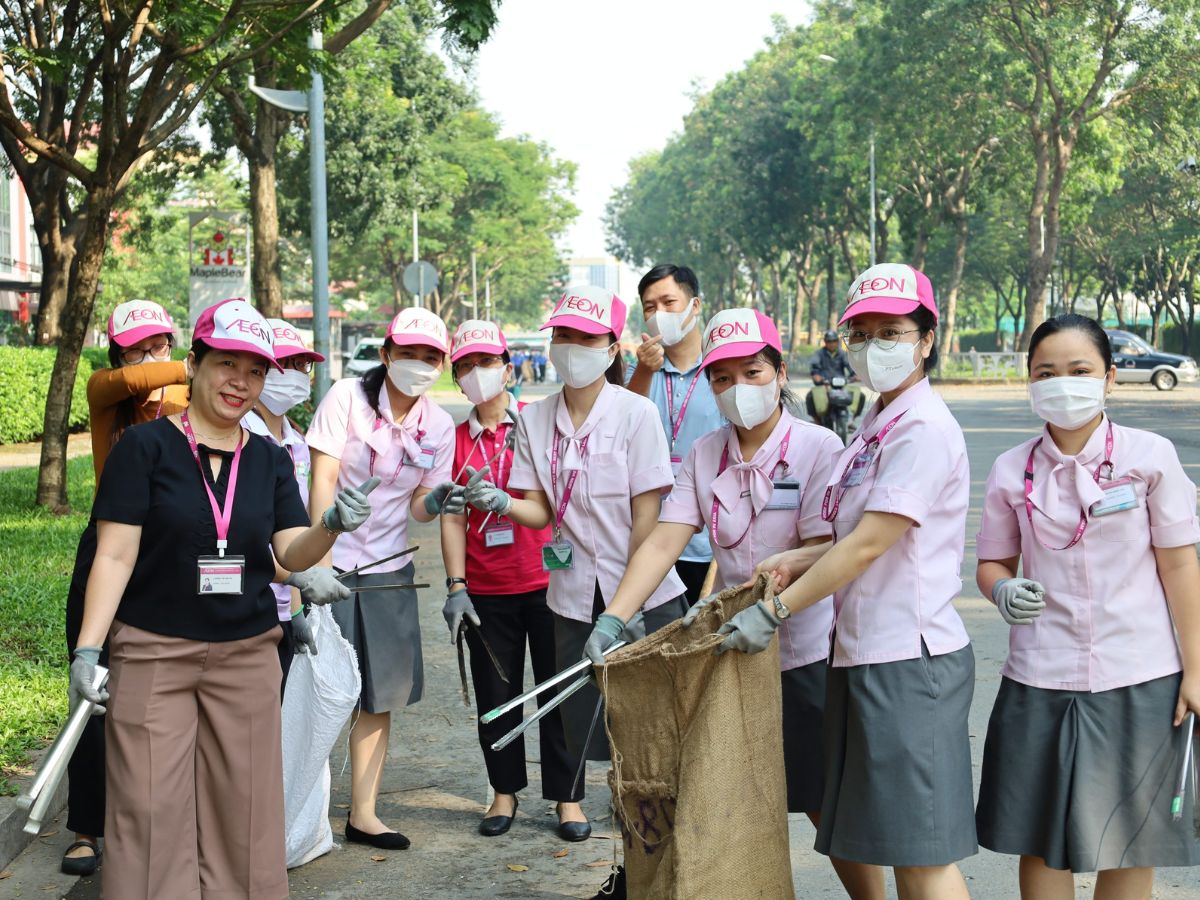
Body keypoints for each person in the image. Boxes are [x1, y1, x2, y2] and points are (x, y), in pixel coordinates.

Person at [68, 297, 380, 900]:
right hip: (154, 651)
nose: (241, 382)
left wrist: (332, 525)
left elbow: (289, 551)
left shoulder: (266, 459)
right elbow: (113, 555)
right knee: (151, 810)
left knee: (245, 813)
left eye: (255, 370)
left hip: (246, 654)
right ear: (194, 362)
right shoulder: (145, 448)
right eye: (227, 364)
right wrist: (88, 651)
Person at [589, 308, 884, 900]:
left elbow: (828, 545)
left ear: (778, 372)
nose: (736, 389)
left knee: (822, 803)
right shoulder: (704, 454)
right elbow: (667, 539)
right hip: (727, 659)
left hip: (801, 652)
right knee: (720, 798)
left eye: (751, 372)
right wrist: (616, 614)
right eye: (722, 378)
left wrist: (778, 595)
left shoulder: (818, 448)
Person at [714, 264, 978, 900]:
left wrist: (774, 612)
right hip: (861, 654)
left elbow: (867, 545)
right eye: (859, 333)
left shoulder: (922, 427)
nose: (871, 347)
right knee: (890, 839)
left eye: (890, 331)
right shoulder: (873, 425)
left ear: (926, 338)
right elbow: (847, 535)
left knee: (922, 853)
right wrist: (799, 560)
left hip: (910, 660)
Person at [974, 314, 1200, 898]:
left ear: (1109, 378)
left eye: (1080, 371)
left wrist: (1196, 668)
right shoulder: (1010, 471)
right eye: (1046, 372)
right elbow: (993, 563)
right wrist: (1001, 588)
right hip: (1040, 675)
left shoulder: (1150, 457)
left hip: (1139, 672)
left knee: (1131, 838)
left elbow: (1179, 565)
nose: (1063, 383)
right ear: (1029, 382)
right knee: (1043, 836)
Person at [461, 284, 688, 851]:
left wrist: (622, 610)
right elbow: (540, 510)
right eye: (561, 335)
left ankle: (660, 835)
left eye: (584, 338)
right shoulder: (535, 420)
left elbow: (648, 520)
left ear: (613, 347)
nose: (569, 347)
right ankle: (618, 832)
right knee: (585, 723)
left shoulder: (637, 413)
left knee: (651, 726)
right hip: (569, 596)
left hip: (642, 597)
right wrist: (500, 502)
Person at [306, 306, 455, 850]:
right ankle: (301, 814)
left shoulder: (440, 426)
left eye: (430, 357)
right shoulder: (346, 398)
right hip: (331, 562)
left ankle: (364, 814)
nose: (419, 364)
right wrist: (317, 562)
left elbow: (420, 506)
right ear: (387, 353)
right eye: (409, 353)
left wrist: (437, 500)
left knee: (379, 696)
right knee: (320, 693)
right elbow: (320, 477)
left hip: (390, 570)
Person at [61, 298, 190, 876]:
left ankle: (159, 821)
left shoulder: (190, 402)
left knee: (167, 689)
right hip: (110, 545)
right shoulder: (107, 393)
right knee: (94, 691)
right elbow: (138, 379)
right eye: (136, 347)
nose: (149, 355)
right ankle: (86, 828)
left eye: (159, 343)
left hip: (172, 551)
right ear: (117, 353)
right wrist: (195, 363)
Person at [431, 319, 573, 838]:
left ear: (508, 368)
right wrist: (455, 584)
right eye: (464, 366)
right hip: (487, 590)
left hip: (549, 581)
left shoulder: (540, 424)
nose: (475, 373)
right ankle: (503, 793)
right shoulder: (453, 438)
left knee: (559, 692)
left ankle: (568, 799)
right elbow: (450, 516)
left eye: (485, 362)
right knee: (496, 696)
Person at [242, 318, 343, 695]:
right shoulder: (245, 437)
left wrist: (298, 607)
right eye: (288, 363)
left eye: (304, 365)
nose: (298, 373)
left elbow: (293, 532)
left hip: (287, 602)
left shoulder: (296, 440)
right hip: (250, 601)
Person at [624, 264, 725, 605]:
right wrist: (643, 372)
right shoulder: (636, 371)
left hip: (713, 541)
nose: (659, 314)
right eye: (650, 307)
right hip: (649, 537)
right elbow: (622, 427)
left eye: (669, 302)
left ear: (695, 306)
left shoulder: (723, 371)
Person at [806, 328, 863, 429]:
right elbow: (814, 368)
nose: (831, 343)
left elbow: (850, 367)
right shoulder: (819, 354)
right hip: (825, 384)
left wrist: (855, 375)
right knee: (810, 396)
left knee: (861, 396)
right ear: (825, 342)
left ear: (837, 341)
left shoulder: (843, 354)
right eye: (829, 341)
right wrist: (816, 376)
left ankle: (851, 420)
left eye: (834, 341)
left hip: (841, 384)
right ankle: (817, 421)